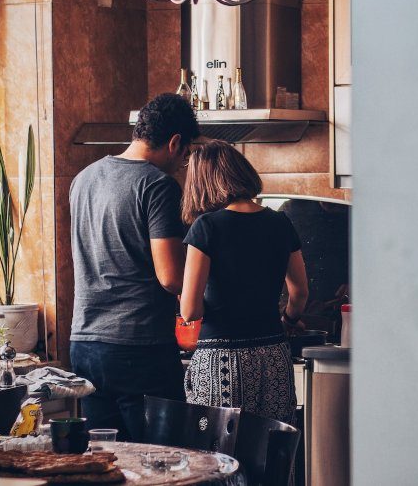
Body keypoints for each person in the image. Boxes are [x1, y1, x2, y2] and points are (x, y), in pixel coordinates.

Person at [69, 93, 198, 441]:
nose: (182, 163)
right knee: (164, 464)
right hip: (137, 347)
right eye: (185, 155)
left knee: (109, 462)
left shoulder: (83, 179)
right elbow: (171, 278)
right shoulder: (157, 186)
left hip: (84, 344)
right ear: (174, 143)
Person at [179, 140, 308, 423]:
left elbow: (190, 311)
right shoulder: (280, 222)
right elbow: (299, 292)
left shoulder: (207, 227)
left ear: (203, 183)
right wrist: (287, 320)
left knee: (219, 458)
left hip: (221, 360)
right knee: (272, 451)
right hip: (274, 355)